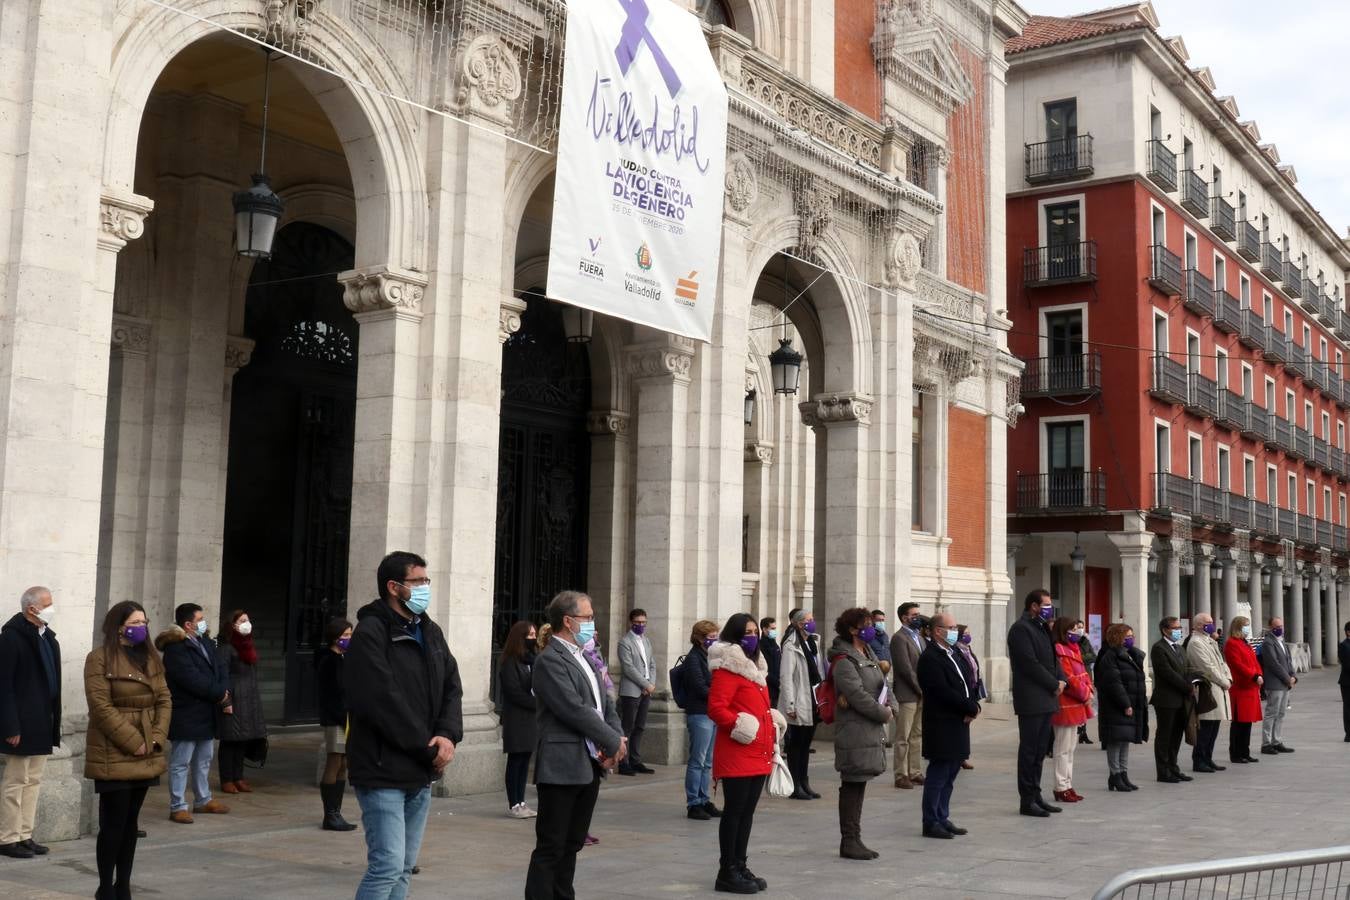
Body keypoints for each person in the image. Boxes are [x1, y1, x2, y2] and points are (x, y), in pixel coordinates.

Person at [347, 551, 463, 900]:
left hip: (421, 769)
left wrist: (446, 734)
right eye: (418, 582)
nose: (425, 588)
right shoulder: (371, 632)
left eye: (427, 581)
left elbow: (452, 687)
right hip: (383, 768)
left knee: (404, 869)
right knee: (386, 867)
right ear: (394, 587)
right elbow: (382, 701)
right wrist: (427, 748)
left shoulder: (430, 629)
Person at [524, 590, 625, 900]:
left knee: (573, 842)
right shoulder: (549, 660)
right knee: (552, 845)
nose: (593, 623)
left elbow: (604, 703)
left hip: (589, 763)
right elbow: (572, 708)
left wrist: (617, 737)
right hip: (561, 765)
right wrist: (609, 740)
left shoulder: (586, 657)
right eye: (588, 617)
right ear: (567, 621)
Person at [84, 601, 171, 900]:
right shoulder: (99, 659)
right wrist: (134, 742)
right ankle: (105, 886)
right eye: (136, 621)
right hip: (114, 750)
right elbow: (100, 707)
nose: (142, 627)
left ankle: (124, 885)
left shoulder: (151, 658)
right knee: (113, 822)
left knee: (131, 822)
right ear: (119, 625)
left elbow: (164, 701)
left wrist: (156, 738)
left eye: (144, 622)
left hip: (148, 749)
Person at [707, 613, 781, 894]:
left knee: (747, 813)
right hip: (738, 751)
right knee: (734, 812)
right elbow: (716, 708)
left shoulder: (755, 670)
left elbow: (755, 705)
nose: (753, 636)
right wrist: (739, 724)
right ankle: (726, 870)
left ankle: (740, 863)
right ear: (735, 637)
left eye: (755, 631)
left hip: (758, 751)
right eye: (747, 632)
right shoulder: (728, 669)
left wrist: (770, 718)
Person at [829, 608, 897, 860]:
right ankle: (849, 840)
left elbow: (882, 684)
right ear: (852, 629)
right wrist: (883, 713)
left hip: (868, 729)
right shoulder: (844, 660)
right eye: (866, 624)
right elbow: (856, 694)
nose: (872, 628)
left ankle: (855, 838)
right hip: (854, 729)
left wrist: (892, 706)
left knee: (859, 783)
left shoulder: (867, 653)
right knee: (852, 783)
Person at [0, 586, 61, 859]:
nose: (52, 607)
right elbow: (4, 686)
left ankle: (25, 834)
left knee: (33, 780)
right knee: (15, 781)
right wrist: (10, 726)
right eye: (47, 603)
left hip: (41, 722)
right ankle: (7, 837)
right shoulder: (11, 639)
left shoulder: (48, 637)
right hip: (21, 725)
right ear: (31, 609)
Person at [156, 602, 231, 823]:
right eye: (199, 619)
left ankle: (203, 800)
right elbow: (190, 679)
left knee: (204, 758)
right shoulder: (176, 648)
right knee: (181, 761)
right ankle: (178, 805)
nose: (203, 623)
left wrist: (224, 690)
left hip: (208, 709)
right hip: (187, 711)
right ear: (188, 624)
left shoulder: (205, 642)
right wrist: (219, 693)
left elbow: (220, 667)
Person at [916, 611, 980, 839]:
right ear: (937, 631)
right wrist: (968, 707)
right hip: (942, 722)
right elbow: (941, 691)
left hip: (959, 720)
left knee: (952, 771)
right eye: (951, 628)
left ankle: (943, 816)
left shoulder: (954, 653)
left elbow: (967, 682)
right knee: (939, 772)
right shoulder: (930, 658)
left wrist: (973, 705)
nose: (956, 631)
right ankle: (931, 821)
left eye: (955, 627)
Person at [1007, 589, 1066, 816]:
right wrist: (1054, 683)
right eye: (1046, 604)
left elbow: (1053, 659)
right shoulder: (1021, 629)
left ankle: (1036, 794)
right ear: (1033, 606)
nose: (1050, 608)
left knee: (1041, 751)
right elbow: (1029, 664)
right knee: (1029, 751)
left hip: (1047, 699)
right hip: (1032, 698)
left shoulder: (1042, 628)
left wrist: (1061, 679)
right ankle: (1026, 799)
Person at [216, 609, 266, 794]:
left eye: (248, 619)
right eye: (242, 620)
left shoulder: (247, 645)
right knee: (230, 740)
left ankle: (239, 776)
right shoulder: (226, 648)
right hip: (233, 698)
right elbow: (222, 676)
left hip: (249, 699)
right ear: (233, 624)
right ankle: (226, 779)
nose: (247, 623)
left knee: (243, 740)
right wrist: (225, 700)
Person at [315, 616, 357, 831]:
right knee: (334, 761)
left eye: (350, 634)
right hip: (335, 719)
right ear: (335, 636)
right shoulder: (328, 660)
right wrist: (342, 717)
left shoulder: (345, 657)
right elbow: (331, 694)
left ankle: (336, 812)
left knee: (343, 764)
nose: (348, 638)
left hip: (347, 718)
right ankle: (330, 814)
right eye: (345, 635)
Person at [1094, 623, 1147, 791]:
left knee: (1125, 741)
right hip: (1117, 705)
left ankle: (1123, 774)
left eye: (1132, 636)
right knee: (1115, 741)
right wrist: (1125, 704)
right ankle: (1115, 774)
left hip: (1131, 702)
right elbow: (1114, 683)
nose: (1131, 639)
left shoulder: (1130, 655)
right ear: (1118, 637)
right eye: (1127, 636)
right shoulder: (1110, 656)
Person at [777, 608, 821, 800]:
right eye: (807, 620)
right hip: (798, 699)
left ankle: (804, 781)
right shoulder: (791, 644)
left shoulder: (812, 642)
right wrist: (790, 705)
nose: (811, 623)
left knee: (806, 744)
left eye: (812, 619)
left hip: (812, 698)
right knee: (796, 745)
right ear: (798, 623)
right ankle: (795, 784)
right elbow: (786, 677)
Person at [1050, 617, 1093, 803]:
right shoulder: (1059, 650)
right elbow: (1070, 679)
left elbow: (1083, 674)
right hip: (1066, 704)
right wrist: (1085, 694)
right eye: (1073, 629)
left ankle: (1068, 783)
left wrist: (1089, 690)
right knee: (1062, 749)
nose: (1077, 632)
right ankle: (1060, 786)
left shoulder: (1073, 649)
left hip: (1076, 704)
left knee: (1070, 749)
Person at [498, 620, 538, 819]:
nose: (533, 638)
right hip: (516, 719)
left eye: (534, 634)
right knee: (515, 760)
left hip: (530, 719)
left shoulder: (531, 660)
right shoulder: (510, 662)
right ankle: (513, 803)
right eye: (529, 635)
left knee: (525, 760)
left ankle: (522, 801)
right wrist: (537, 703)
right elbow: (513, 692)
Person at [1148, 615, 1193, 784]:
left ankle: (1174, 767)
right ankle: (1163, 771)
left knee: (1176, 736)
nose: (1178, 631)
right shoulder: (1159, 648)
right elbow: (1167, 673)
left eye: (1179, 628)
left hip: (1182, 698)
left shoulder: (1180, 649)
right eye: (1175, 628)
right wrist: (1185, 685)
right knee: (1164, 736)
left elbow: (1187, 669)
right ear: (1165, 630)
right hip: (1166, 699)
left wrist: (1191, 682)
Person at [683, 620, 720, 821]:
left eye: (716, 636)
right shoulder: (694, 658)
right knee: (697, 760)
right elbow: (699, 686)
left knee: (707, 761)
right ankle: (693, 803)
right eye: (710, 637)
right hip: (699, 713)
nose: (714, 640)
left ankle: (704, 799)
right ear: (699, 638)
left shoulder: (710, 656)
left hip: (711, 712)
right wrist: (718, 695)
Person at [1185, 613, 1231, 774]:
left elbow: (1222, 662)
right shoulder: (1196, 642)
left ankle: (1208, 758)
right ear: (1198, 625)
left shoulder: (1210, 640)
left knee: (1214, 726)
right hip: (1208, 688)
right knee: (1205, 727)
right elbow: (1207, 667)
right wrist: (1223, 681)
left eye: (1212, 622)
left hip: (1219, 687)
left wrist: (1228, 677)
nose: (1211, 625)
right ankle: (1199, 760)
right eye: (1207, 622)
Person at [888, 602, 925, 789]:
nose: (918, 617)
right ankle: (901, 774)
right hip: (907, 694)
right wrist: (920, 689)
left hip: (921, 694)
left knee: (917, 735)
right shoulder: (899, 638)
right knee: (903, 736)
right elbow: (905, 669)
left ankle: (915, 771)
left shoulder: (920, 637)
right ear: (904, 617)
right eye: (914, 614)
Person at [617, 608, 657, 776]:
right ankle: (623, 762)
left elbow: (652, 664)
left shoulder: (646, 641)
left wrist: (651, 684)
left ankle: (635, 759)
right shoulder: (624, 642)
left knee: (640, 726)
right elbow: (628, 668)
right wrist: (645, 684)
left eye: (643, 623)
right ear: (630, 622)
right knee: (627, 727)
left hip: (646, 690)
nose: (641, 625)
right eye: (637, 622)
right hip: (631, 691)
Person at [1222, 616, 1263, 764]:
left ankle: (1245, 751)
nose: (1248, 628)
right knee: (1239, 723)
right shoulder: (1232, 644)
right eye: (1245, 625)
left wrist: (1259, 674)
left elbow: (1254, 661)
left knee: (1247, 723)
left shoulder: (1245, 643)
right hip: (1241, 687)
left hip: (1250, 687)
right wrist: (1253, 676)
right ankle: (1236, 753)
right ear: (1238, 627)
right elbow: (1238, 665)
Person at [1260, 616, 1296, 754]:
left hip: (1285, 684)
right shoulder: (1268, 642)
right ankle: (1266, 743)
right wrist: (1288, 678)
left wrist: (1293, 676)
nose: (1279, 629)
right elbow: (1274, 664)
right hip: (1275, 683)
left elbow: (1288, 661)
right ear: (1270, 627)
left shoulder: (1282, 641)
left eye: (1281, 626)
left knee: (1281, 713)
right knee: (1271, 713)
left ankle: (1277, 740)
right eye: (1276, 627)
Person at [954, 625, 983, 770]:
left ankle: (963, 756)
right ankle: (958, 755)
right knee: (961, 722)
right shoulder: (956, 650)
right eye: (965, 633)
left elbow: (974, 667)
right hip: (963, 690)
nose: (968, 636)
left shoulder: (967, 649)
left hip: (972, 688)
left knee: (968, 723)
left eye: (969, 633)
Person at [1076, 620, 1097, 745]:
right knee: (1079, 704)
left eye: (1082, 627)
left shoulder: (1086, 640)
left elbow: (1093, 656)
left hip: (1087, 675)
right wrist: (1084, 657)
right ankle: (1079, 731)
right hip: (1078, 676)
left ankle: (1084, 733)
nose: (1080, 629)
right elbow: (1074, 657)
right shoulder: (1072, 641)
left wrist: (1081, 658)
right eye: (1078, 627)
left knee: (1087, 704)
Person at [759, 617, 781, 707]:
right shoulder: (761, 646)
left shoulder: (774, 644)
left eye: (775, 628)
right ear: (764, 629)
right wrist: (777, 682)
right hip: (768, 687)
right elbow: (763, 669)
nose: (774, 631)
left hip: (777, 688)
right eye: (772, 628)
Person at [1340, 621, 1350, 743]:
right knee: (1348, 708)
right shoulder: (1344, 645)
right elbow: (1346, 663)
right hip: (1347, 682)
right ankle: (1348, 733)